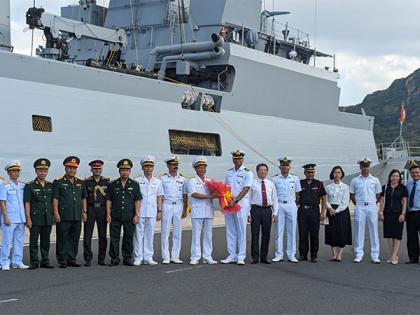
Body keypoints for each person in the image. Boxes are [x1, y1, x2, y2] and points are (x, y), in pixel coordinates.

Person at [53, 156, 87, 268]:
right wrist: (56, 213)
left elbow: (83, 198)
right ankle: (62, 259)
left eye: (74, 168)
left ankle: (72, 258)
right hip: (63, 215)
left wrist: (84, 211)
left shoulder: (81, 182)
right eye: (70, 168)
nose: (72, 170)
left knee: (74, 237)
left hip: (77, 215)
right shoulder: (58, 182)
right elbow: (55, 199)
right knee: (62, 238)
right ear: (65, 168)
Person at [107, 159, 142, 266]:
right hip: (115, 215)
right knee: (114, 237)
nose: (125, 172)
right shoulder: (113, 184)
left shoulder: (135, 185)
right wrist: (108, 214)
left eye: (127, 170)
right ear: (119, 171)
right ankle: (114, 258)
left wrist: (136, 214)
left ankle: (127, 258)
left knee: (128, 237)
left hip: (129, 215)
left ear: (130, 171)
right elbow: (109, 200)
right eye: (123, 170)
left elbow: (137, 200)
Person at [221, 150, 253, 266]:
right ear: (233, 160)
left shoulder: (247, 172)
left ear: (243, 159)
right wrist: (227, 200)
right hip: (229, 203)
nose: (237, 160)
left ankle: (241, 256)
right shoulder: (228, 172)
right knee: (230, 229)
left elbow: (246, 188)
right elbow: (225, 187)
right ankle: (232, 255)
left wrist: (235, 200)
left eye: (240, 159)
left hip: (241, 203)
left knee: (241, 230)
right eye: (235, 159)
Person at [184, 156, 218, 265]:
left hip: (208, 211)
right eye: (200, 168)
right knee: (196, 235)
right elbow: (193, 194)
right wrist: (210, 197)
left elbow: (216, 193)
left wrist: (220, 194)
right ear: (195, 169)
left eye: (204, 167)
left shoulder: (210, 181)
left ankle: (207, 256)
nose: (202, 169)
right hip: (197, 211)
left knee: (208, 235)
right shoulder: (191, 181)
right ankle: (195, 257)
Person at [24, 158, 54, 269]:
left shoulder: (50, 185)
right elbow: (27, 203)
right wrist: (28, 218)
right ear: (36, 171)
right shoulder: (30, 185)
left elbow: (53, 202)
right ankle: (34, 261)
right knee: (34, 241)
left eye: (45, 171)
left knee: (46, 241)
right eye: (40, 170)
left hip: (47, 217)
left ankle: (45, 260)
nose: (43, 173)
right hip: (35, 218)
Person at [350, 158, 382, 263]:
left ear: (369, 167)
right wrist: (358, 204)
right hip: (360, 205)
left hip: (372, 205)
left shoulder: (375, 180)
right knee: (359, 229)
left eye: (367, 166)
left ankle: (375, 255)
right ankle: (359, 254)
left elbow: (378, 195)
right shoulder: (355, 180)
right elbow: (352, 195)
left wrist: (373, 203)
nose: (365, 168)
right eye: (363, 166)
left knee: (374, 230)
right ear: (360, 167)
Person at [133, 156, 163, 266]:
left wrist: (159, 211)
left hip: (152, 211)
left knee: (150, 235)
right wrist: (135, 212)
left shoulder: (158, 182)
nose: (148, 168)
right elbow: (134, 198)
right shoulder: (137, 181)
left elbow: (159, 197)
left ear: (153, 168)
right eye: (146, 166)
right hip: (140, 211)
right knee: (138, 235)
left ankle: (148, 257)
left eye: (150, 166)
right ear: (142, 168)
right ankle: (138, 257)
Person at [0, 161, 29, 271]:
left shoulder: (22, 185)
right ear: (8, 173)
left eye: (17, 171)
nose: (16, 173)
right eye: (13, 171)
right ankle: (4, 262)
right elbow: (2, 202)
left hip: (20, 218)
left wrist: (25, 217)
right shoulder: (4, 185)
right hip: (9, 218)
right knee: (7, 241)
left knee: (18, 241)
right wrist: (5, 217)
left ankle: (17, 261)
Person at [272, 157, 301, 263]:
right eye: (283, 165)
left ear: (290, 167)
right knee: (278, 231)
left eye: (287, 165)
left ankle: (291, 254)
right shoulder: (274, 179)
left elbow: (298, 194)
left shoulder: (295, 179)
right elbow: (273, 195)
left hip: (291, 205)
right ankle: (279, 254)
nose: (285, 167)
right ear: (279, 167)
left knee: (292, 230)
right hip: (279, 205)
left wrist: (295, 205)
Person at [249, 163, 278, 264]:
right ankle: (255, 257)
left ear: (267, 172)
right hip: (255, 210)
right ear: (257, 172)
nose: (263, 172)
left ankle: (264, 256)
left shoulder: (271, 184)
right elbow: (248, 199)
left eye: (265, 170)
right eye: (260, 170)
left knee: (266, 234)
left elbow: (274, 199)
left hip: (267, 210)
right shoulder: (252, 184)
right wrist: (249, 213)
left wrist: (275, 212)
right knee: (255, 234)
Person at [160, 156, 187, 264]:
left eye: (176, 165)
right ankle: (166, 256)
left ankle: (175, 256)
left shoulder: (183, 179)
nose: (175, 166)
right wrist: (160, 209)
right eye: (172, 164)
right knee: (165, 231)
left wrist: (185, 209)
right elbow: (160, 195)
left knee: (177, 232)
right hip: (166, 204)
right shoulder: (162, 179)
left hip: (179, 206)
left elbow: (185, 195)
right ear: (168, 166)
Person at [83, 160, 110, 266]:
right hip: (90, 209)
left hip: (102, 209)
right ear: (91, 170)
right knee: (87, 235)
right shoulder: (87, 182)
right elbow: (84, 198)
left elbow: (108, 199)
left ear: (102, 169)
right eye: (95, 169)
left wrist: (108, 213)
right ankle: (88, 259)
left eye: (99, 169)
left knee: (102, 235)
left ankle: (101, 258)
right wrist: (84, 211)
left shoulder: (107, 182)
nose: (97, 170)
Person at [298, 164, 327, 262]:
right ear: (305, 173)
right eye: (308, 172)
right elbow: (296, 196)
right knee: (303, 234)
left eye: (312, 172)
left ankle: (314, 255)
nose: (310, 174)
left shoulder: (319, 184)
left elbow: (324, 198)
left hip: (314, 211)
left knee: (314, 234)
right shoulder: (300, 183)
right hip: (302, 211)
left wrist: (322, 212)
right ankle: (303, 254)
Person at [379, 169, 407, 265]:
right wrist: (381, 213)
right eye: (393, 176)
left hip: (398, 214)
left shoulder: (403, 188)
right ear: (390, 177)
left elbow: (404, 202)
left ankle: (394, 256)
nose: (395, 178)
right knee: (389, 235)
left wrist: (403, 214)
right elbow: (382, 201)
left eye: (397, 176)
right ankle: (393, 256)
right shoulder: (385, 187)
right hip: (387, 214)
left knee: (397, 235)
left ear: (399, 178)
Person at [324, 166, 352, 262]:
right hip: (331, 210)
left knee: (341, 231)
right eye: (335, 172)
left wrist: (337, 210)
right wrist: (330, 208)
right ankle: (334, 254)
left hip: (342, 211)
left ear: (342, 174)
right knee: (331, 231)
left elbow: (345, 201)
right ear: (332, 174)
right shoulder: (328, 187)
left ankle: (340, 254)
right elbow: (325, 199)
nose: (337, 174)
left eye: (339, 172)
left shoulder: (345, 187)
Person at [405, 161, 420, 264]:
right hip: (410, 214)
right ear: (410, 174)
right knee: (411, 237)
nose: (415, 174)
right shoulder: (408, 184)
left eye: (417, 172)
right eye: (413, 173)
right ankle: (413, 258)